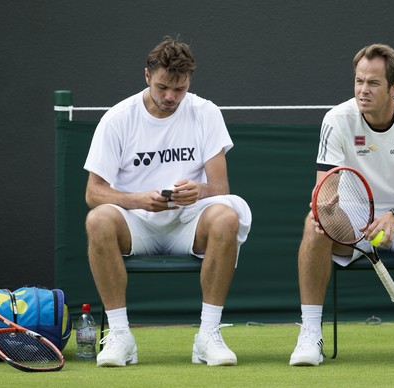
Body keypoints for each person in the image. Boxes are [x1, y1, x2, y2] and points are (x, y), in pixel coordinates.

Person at [83, 36, 251, 367]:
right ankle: (120, 335)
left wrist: (199, 191)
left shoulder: (206, 112)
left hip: (189, 222)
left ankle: (208, 334)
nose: (171, 97)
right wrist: (137, 200)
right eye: (163, 88)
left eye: (180, 89)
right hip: (136, 224)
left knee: (226, 217)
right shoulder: (117, 118)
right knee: (98, 220)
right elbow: (93, 193)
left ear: (189, 82)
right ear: (147, 76)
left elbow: (220, 186)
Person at [289, 43, 394, 367]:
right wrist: (324, 209)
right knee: (313, 224)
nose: (362, 90)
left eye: (373, 83)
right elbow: (325, 189)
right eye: (358, 81)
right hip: (353, 221)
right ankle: (310, 333)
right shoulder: (337, 119)